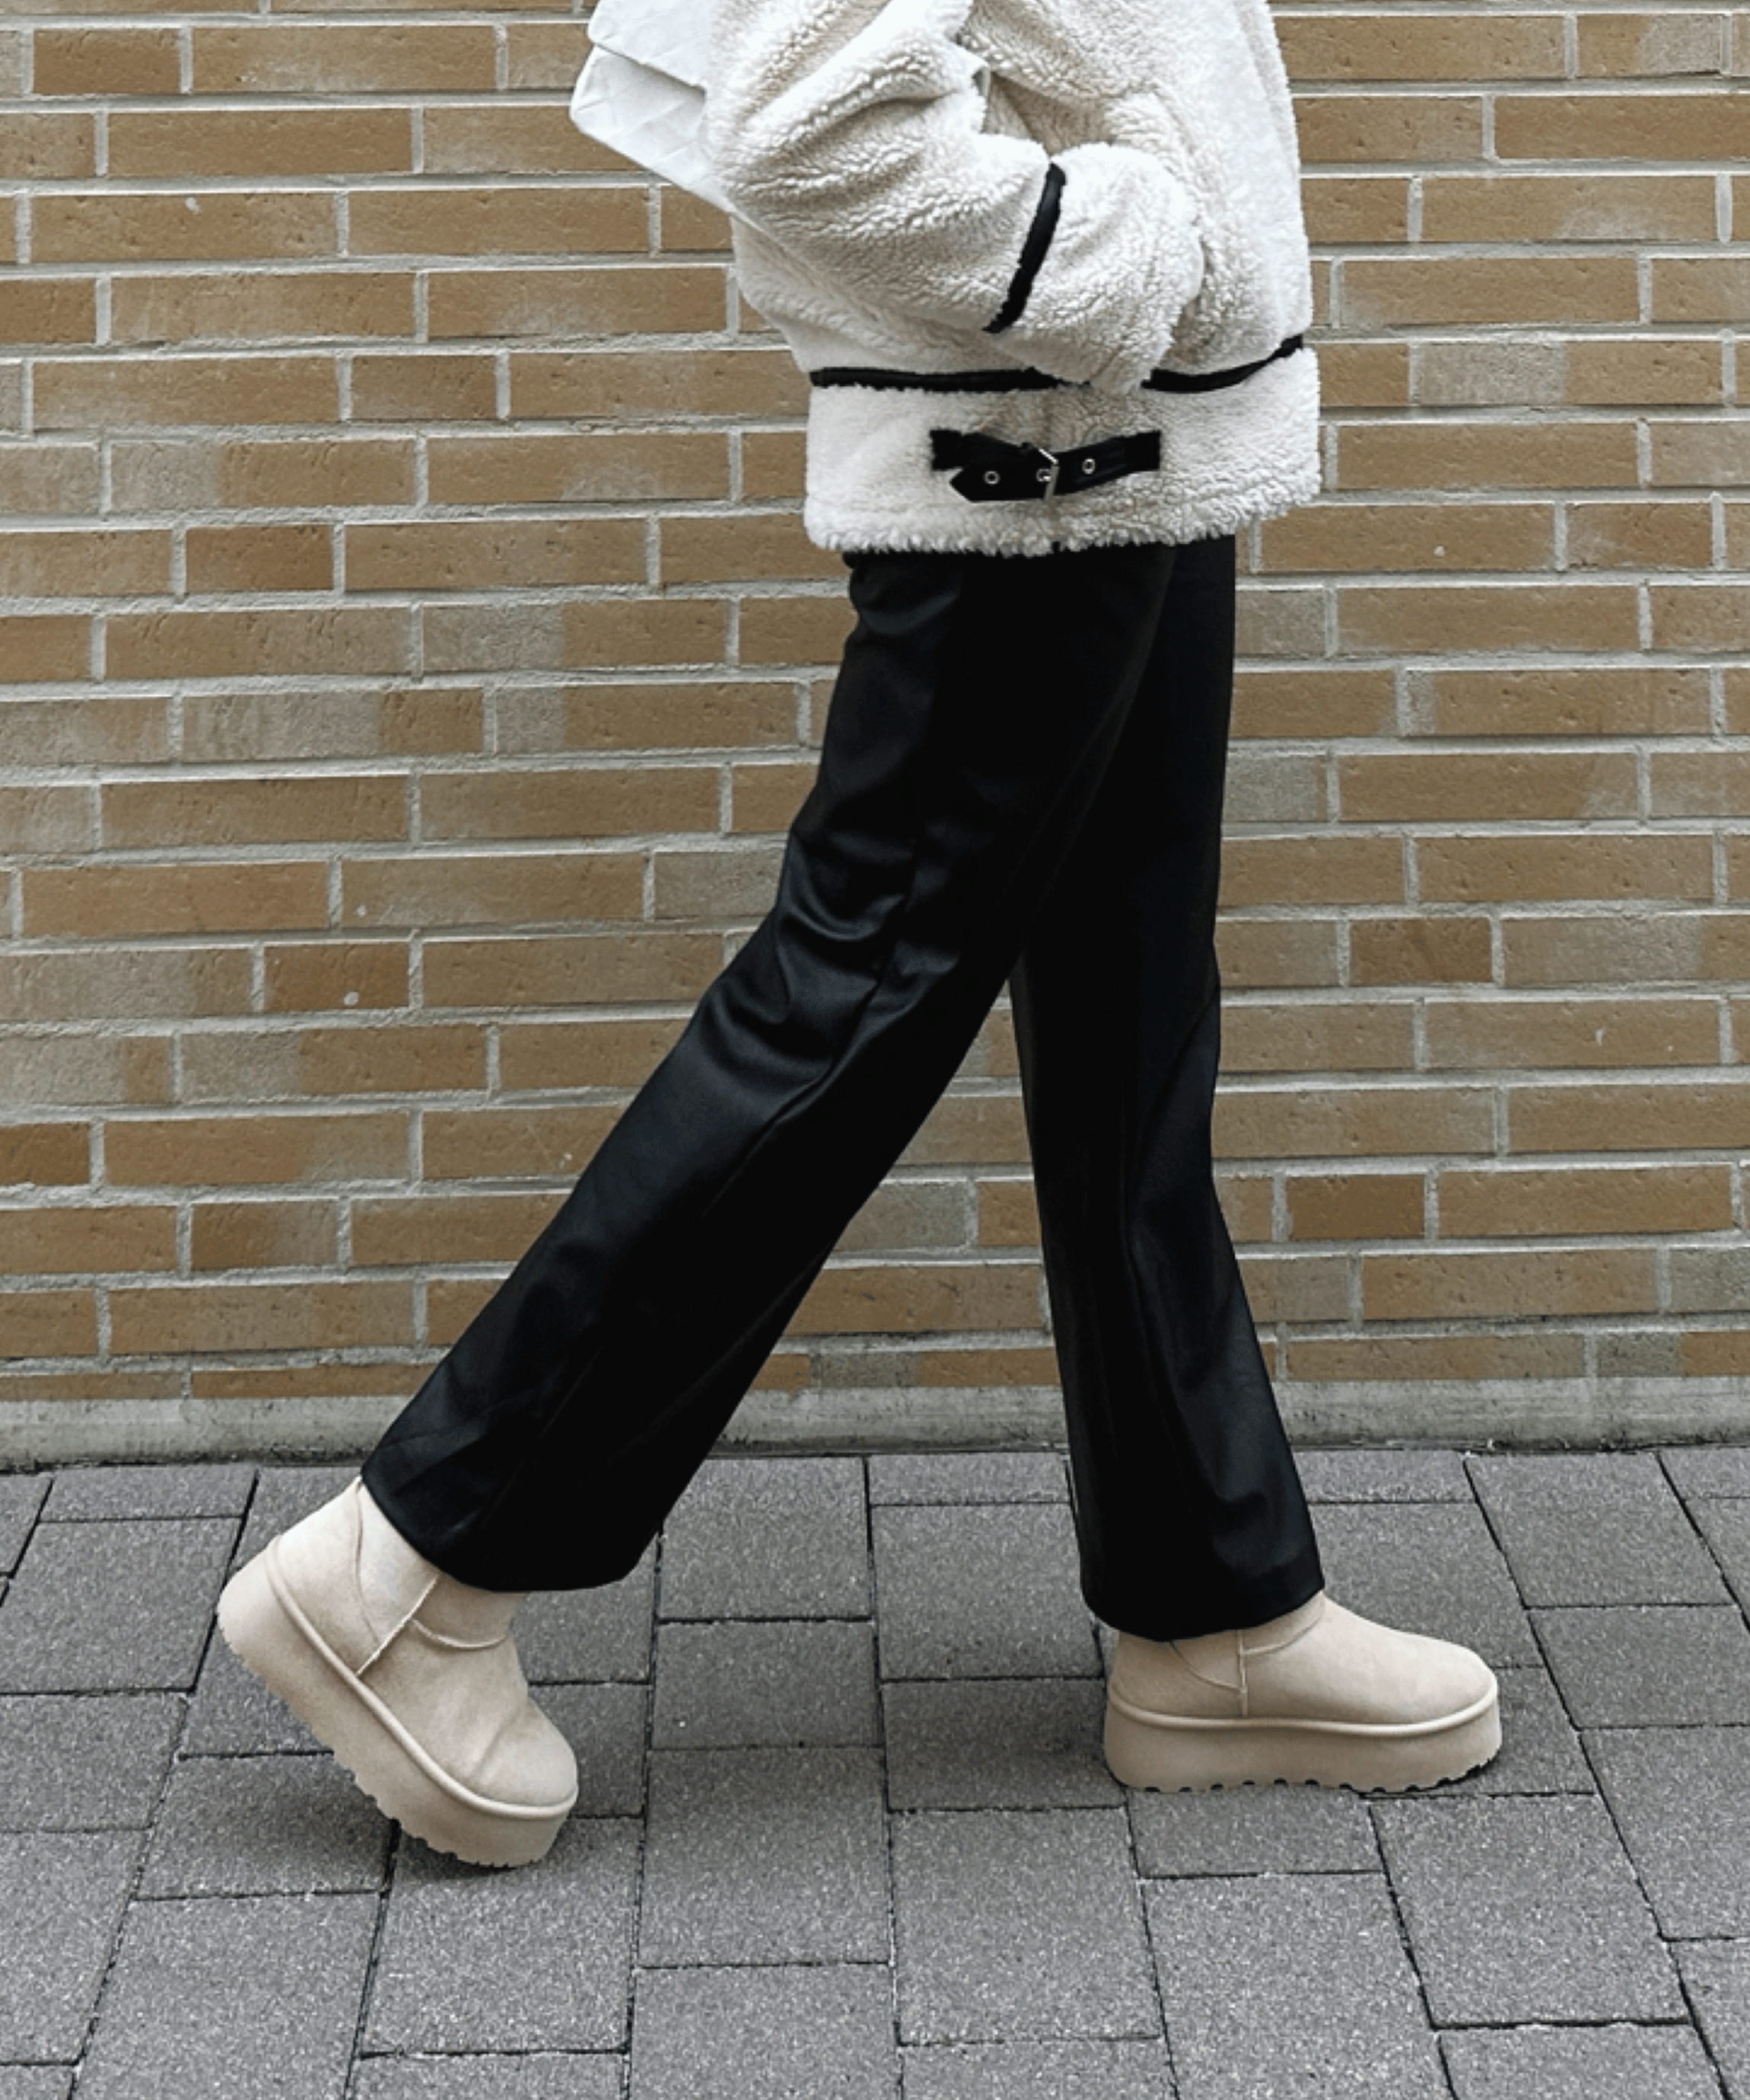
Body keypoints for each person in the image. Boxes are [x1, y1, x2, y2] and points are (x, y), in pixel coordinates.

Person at [217, 0, 1500, 1868]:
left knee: (1132, 1033)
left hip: (1136, 437)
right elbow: (811, 117)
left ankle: (1214, 1608)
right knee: (852, 999)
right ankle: (412, 1566)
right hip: (1033, 440)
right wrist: (1133, 255)